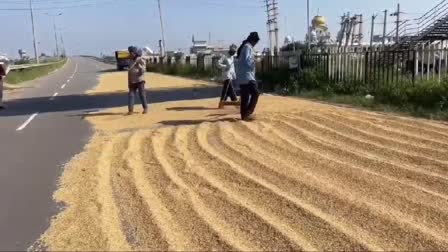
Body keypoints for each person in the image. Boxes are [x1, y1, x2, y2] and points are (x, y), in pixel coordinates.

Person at [236, 32, 260, 121]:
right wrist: (255, 62)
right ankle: (248, 113)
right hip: (247, 76)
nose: (256, 44)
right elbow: (247, 61)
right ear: (253, 40)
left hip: (243, 76)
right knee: (255, 93)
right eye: (256, 42)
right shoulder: (247, 47)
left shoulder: (245, 46)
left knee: (245, 96)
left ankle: (244, 116)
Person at [127, 46, 148, 114]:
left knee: (141, 94)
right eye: (130, 52)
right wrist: (129, 82)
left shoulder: (140, 59)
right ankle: (130, 110)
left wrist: (140, 67)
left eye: (131, 52)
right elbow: (129, 70)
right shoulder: (130, 60)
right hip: (132, 80)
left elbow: (144, 69)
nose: (130, 54)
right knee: (131, 95)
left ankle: (145, 108)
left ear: (135, 53)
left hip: (139, 80)